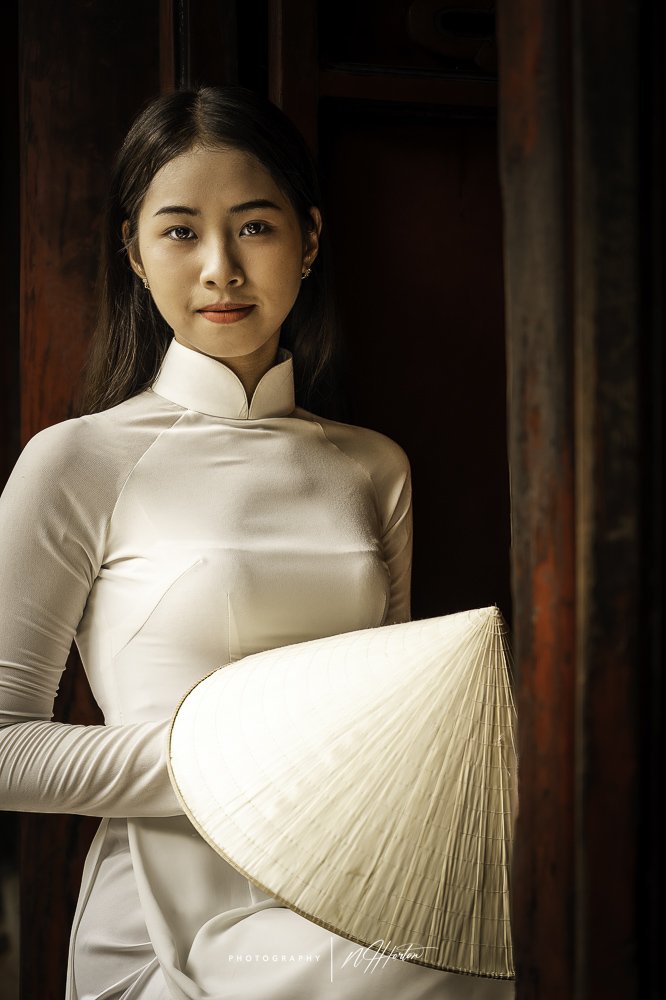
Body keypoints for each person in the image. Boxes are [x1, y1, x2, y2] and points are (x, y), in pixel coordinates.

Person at [0, 86, 514, 999]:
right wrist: (250, 757)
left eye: (255, 228)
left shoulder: (372, 467)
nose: (220, 269)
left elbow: (394, 726)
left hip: (357, 890)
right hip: (174, 926)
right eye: (180, 231)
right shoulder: (79, 460)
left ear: (309, 240)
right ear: (133, 251)